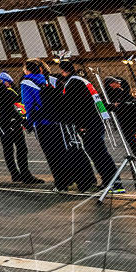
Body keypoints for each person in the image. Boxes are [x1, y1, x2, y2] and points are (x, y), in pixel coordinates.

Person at [55, 59, 120, 192]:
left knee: (98, 154)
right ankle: (113, 182)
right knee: (100, 153)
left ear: (62, 71)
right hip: (96, 120)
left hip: (88, 123)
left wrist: (81, 124)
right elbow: (95, 100)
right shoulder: (83, 80)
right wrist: (107, 109)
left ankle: (113, 183)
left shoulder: (72, 83)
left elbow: (77, 106)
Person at [20, 60, 82, 191]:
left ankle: (60, 183)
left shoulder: (26, 83)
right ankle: (71, 178)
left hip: (42, 122)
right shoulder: (51, 80)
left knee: (51, 154)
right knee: (62, 151)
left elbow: (28, 104)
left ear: (27, 70)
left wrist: (29, 122)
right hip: (58, 120)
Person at [0, 72, 41, 183]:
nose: (10, 85)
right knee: (19, 148)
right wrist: (25, 122)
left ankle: (16, 174)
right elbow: (12, 108)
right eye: (8, 83)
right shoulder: (1, 91)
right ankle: (24, 175)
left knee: (10, 149)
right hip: (7, 124)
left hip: (5, 124)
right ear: (2, 82)